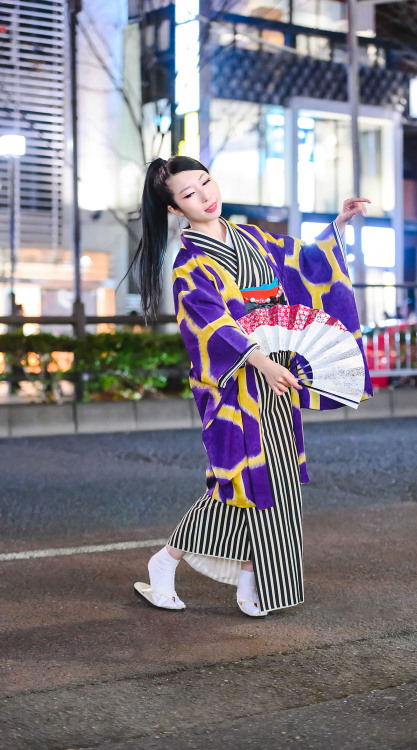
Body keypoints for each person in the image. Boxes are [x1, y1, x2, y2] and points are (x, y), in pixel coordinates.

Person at [122, 155, 372, 617]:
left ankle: (214, 575)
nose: (205, 195)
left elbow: (303, 264)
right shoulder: (189, 265)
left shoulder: (251, 238)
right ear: (176, 210)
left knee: (275, 479)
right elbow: (210, 325)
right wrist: (259, 361)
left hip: (279, 374)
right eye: (190, 194)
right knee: (247, 480)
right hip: (239, 382)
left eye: (206, 182)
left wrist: (337, 224)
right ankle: (220, 577)